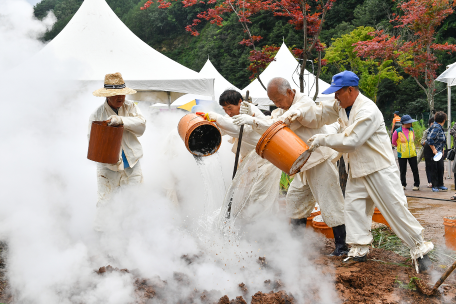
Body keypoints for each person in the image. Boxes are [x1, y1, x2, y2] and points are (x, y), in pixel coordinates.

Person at [282, 70, 433, 272]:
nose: (335, 96)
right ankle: (360, 248)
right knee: (353, 208)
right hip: (357, 168)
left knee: (394, 208)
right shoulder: (341, 105)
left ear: (350, 90)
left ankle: (420, 249)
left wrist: (323, 140)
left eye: (338, 92)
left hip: (378, 168)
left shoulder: (367, 111)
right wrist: (300, 113)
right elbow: (319, 114)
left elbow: (352, 141)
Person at [232, 78, 348, 257]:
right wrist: (253, 117)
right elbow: (270, 125)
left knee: (330, 201)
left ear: (290, 92)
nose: (277, 104)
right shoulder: (283, 109)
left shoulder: (303, 104)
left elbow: (278, 127)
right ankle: (296, 246)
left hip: (319, 160)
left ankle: (342, 247)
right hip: (303, 163)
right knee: (295, 202)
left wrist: (252, 119)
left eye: (278, 100)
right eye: (273, 102)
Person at [202, 90, 282, 223]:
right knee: (245, 197)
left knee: (261, 197)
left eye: (230, 108)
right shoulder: (234, 115)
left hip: (266, 161)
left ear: (240, 102)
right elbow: (223, 128)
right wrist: (208, 125)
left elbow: (241, 131)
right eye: (224, 109)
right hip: (250, 163)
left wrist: (218, 118)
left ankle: (265, 230)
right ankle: (253, 227)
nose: (228, 112)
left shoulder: (250, 111)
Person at [89, 72, 146, 231]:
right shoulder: (97, 114)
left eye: (122, 93)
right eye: (115, 94)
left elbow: (141, 126)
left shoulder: (132, 108)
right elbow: (92, 141)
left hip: (132, 163)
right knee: (105, 201)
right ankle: (101, 236)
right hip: (107, 166)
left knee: (135, 199)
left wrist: (120, 121)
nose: (120, 97)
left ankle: (132, 234)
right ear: (107, 95)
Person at [391, 115, 420, 191]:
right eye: (409, 122)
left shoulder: (411, 130)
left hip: (412, 153)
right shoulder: (397, 131)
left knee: (415, 169)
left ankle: (416, 184)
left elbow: (412, 139)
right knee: (403, 170)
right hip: (402, 154)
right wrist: (401, 147)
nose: (410, 124)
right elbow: (393, 142)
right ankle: (403, 184)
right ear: (404, 123)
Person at [427, 111, 448, 192]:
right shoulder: (436, 127)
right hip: (433, 152)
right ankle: (435, 185)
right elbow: (429, 139)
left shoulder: (439, 127)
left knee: (440, 168)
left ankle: (440, 184)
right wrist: (434, 150)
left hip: (439, 151)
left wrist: (442, 149)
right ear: (444, 120)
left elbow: (440, 140)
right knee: (434, 168)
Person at [421, 117, 435, 188]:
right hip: (427, 152)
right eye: (432, 124)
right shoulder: (426, 132)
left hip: (435, 151)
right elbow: (422, 142)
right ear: (429, 124)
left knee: (435, 166)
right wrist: (427, 141)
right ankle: (429, 181)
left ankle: (435, 181)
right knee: (428, 166)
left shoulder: (437, 131)